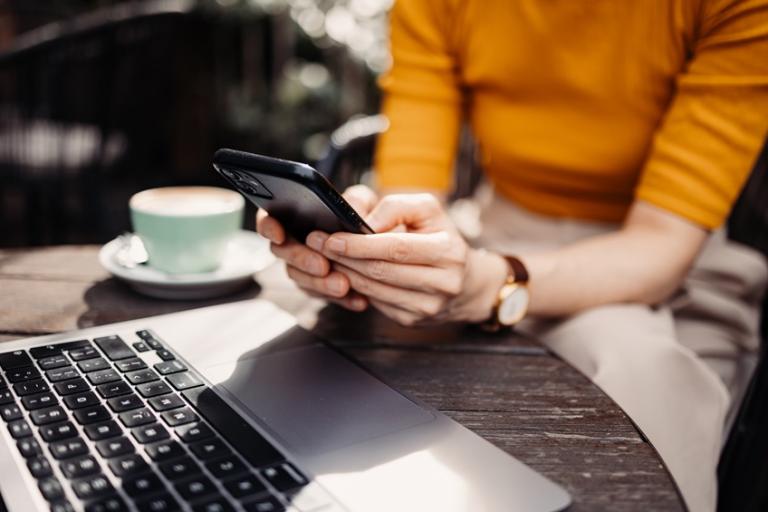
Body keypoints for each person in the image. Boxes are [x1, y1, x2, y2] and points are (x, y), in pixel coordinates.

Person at [258, 1, 768, 510]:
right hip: (496, 237)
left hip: (668, 261)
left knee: (637, 371)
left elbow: (661, 245)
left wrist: (489, 284)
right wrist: (380, 251)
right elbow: (412, 191)